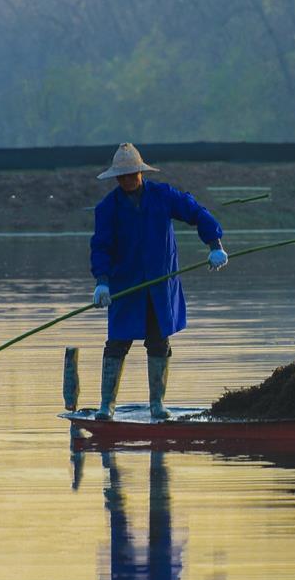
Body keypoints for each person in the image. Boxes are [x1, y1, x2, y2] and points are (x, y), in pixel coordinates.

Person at [90, 143, 227, 420]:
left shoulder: (163, 196)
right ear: (116, 178)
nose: (127, 180)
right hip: (126, 286)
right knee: (117, 343)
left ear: (140, 173)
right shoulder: (108, 208)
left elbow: (197, 213)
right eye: (122, 176)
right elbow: (100, 246)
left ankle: (157, 405)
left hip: (160, 286)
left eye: (131, 174)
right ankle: (107, 406)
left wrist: (214, 245)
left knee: (158, 342)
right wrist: (102, 282)